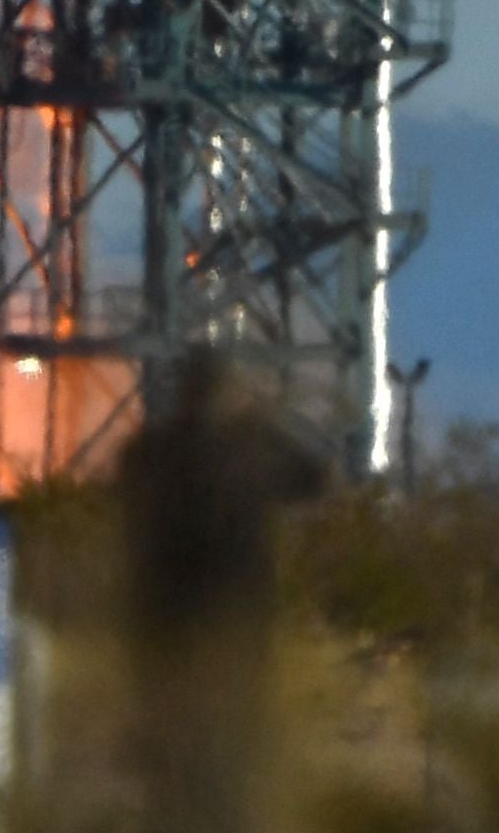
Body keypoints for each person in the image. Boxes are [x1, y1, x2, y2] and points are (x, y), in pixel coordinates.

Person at [120, 349, 325, 833]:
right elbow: (313, 480)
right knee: (235, 735)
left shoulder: (149, 450)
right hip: (237, 617)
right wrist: (265, 418)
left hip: (161, 617)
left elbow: (125, 498)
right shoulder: (254, 446)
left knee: (168, 736)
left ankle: (172, 816)